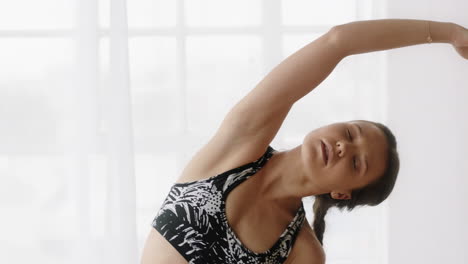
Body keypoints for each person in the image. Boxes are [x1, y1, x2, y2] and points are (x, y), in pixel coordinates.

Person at [141, 19, 468, 264]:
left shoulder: (302, 252)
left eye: (356, 163)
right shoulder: (242, 141)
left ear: (342, 193)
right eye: (351, 133)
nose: (344, 147)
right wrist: (449, 33)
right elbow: (337, 41)